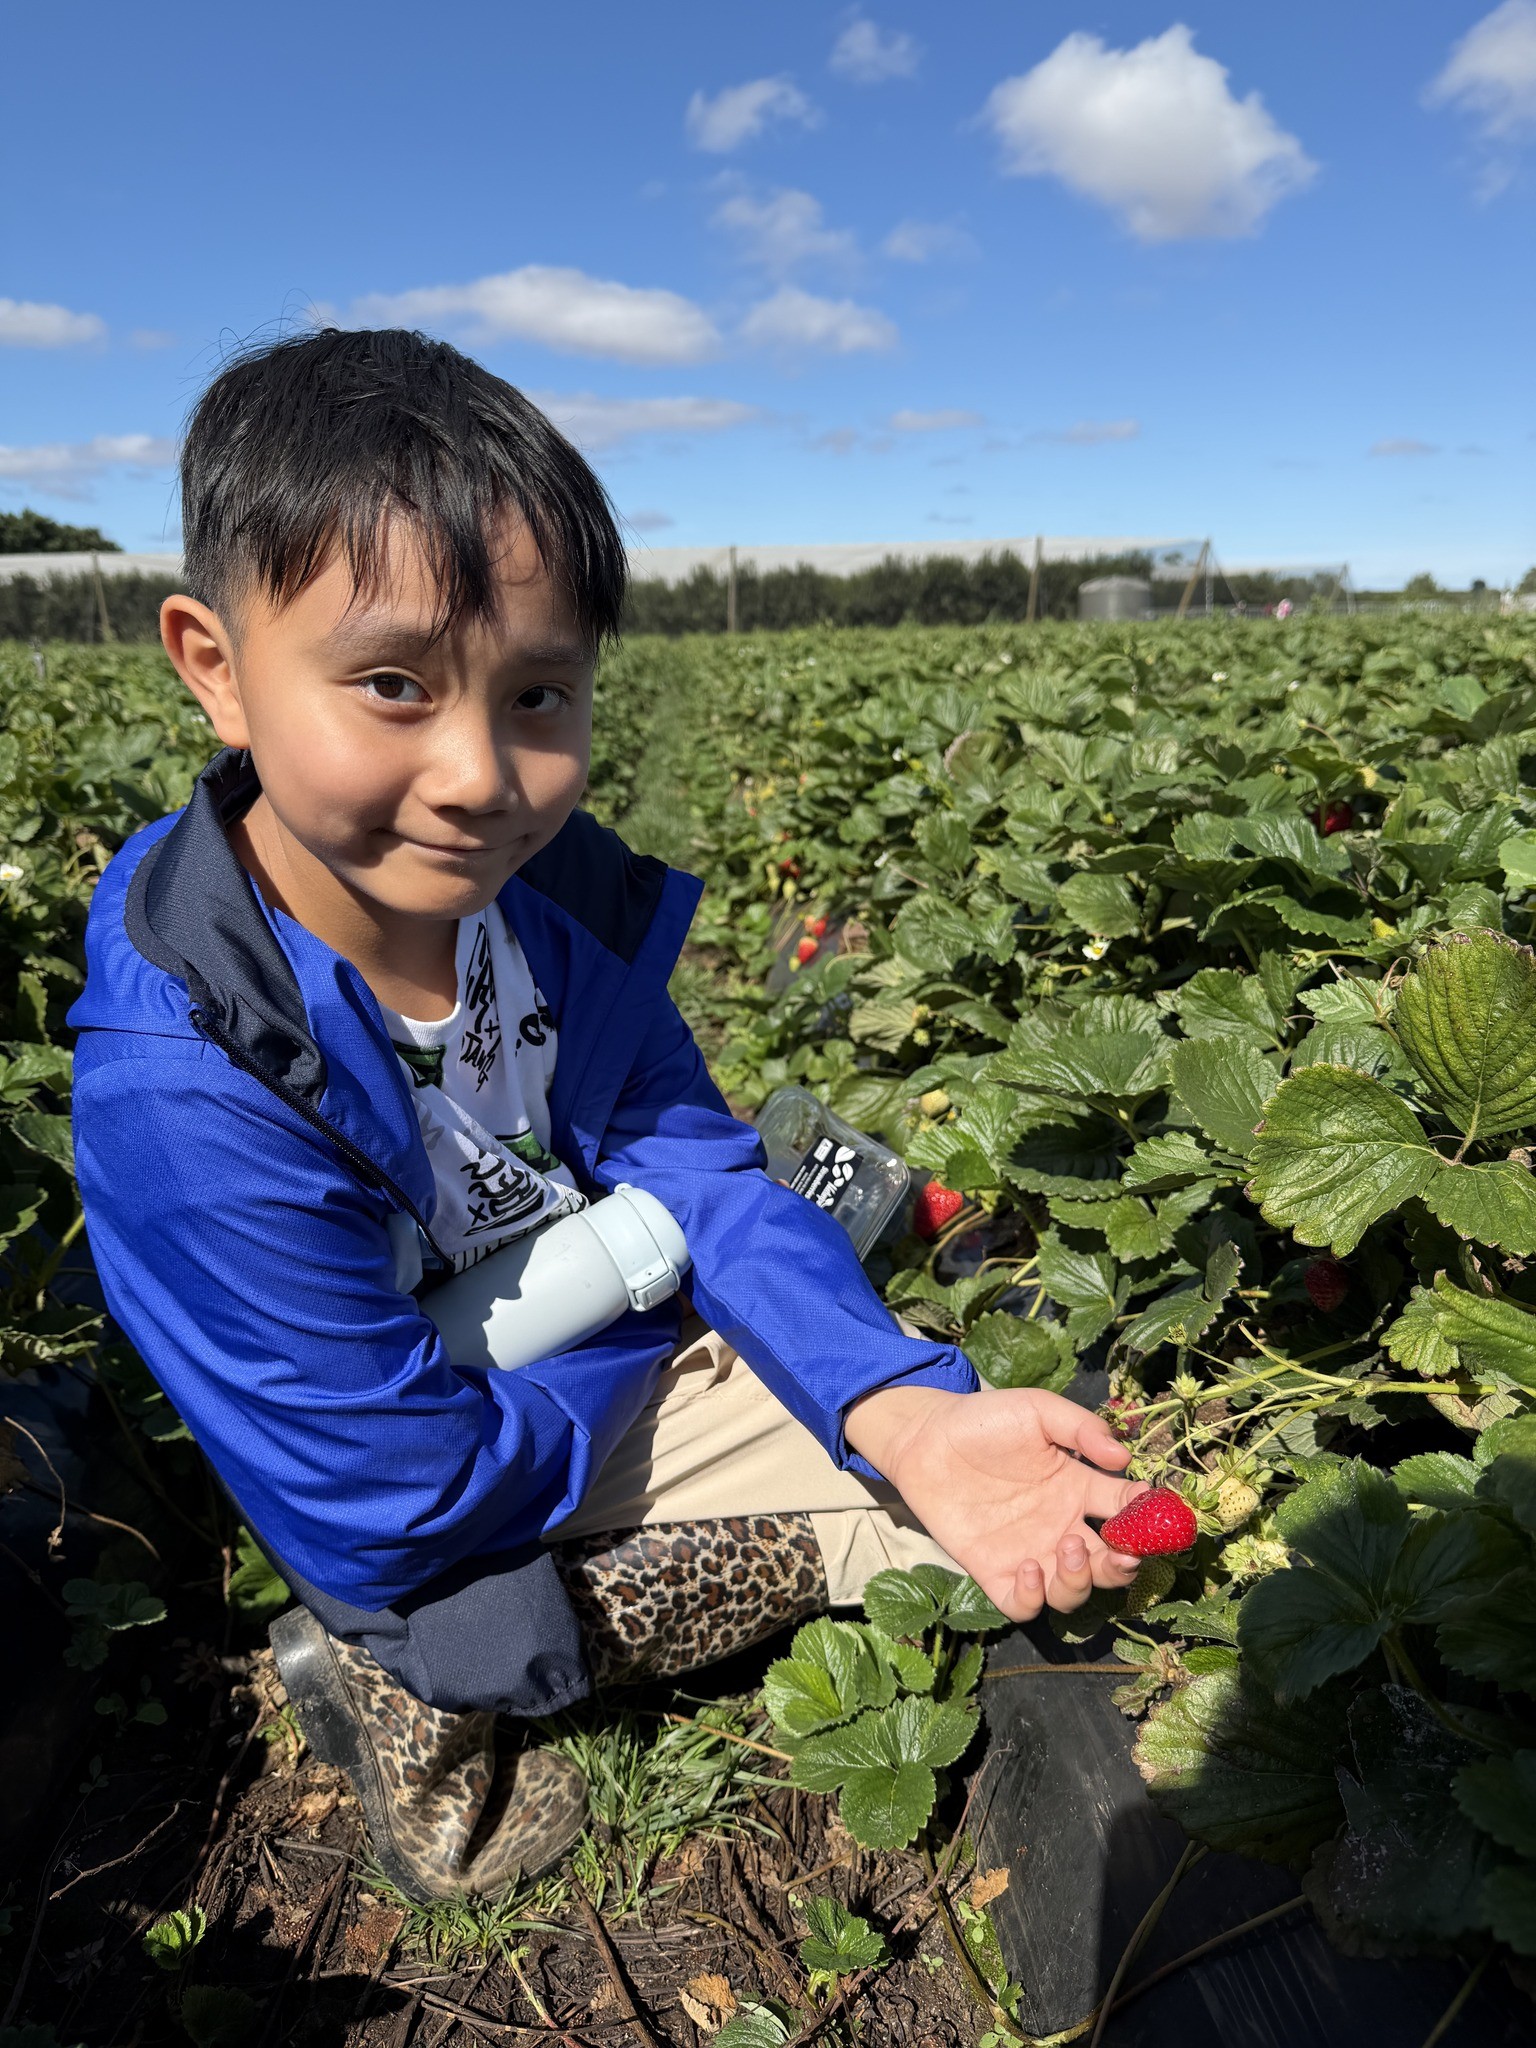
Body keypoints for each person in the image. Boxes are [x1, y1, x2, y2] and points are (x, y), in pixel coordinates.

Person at [69, 328, 1142, 1902]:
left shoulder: (540, 907)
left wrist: (894, 1406)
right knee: (868, 1538)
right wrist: (656, 1335)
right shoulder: (193, 1093)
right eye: (391, 685)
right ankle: (403, 1694)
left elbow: (695, 1167)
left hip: (534, 1345)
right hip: (400, 1469)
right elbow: (393, 1497)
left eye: (538, 694)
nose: (477, 775)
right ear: (214, 666)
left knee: (907, 1416)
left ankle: (757, 1458)